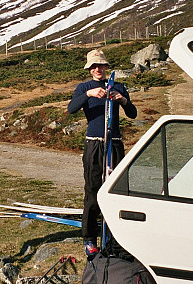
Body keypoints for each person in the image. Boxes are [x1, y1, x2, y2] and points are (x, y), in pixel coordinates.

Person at [67, 49, 137, 257]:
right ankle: (89, 238)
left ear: (106, 67)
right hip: (94, 144)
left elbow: (132, 114)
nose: (98, 69)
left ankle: (116, 236)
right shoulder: (84, 87)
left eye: (101, 65)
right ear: (89, 69)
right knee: (93, 189)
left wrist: (122, 100)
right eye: (94, 66)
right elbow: (71, 109)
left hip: (114, 144)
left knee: (117, 189)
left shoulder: (118, 86)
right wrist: (88, 95)